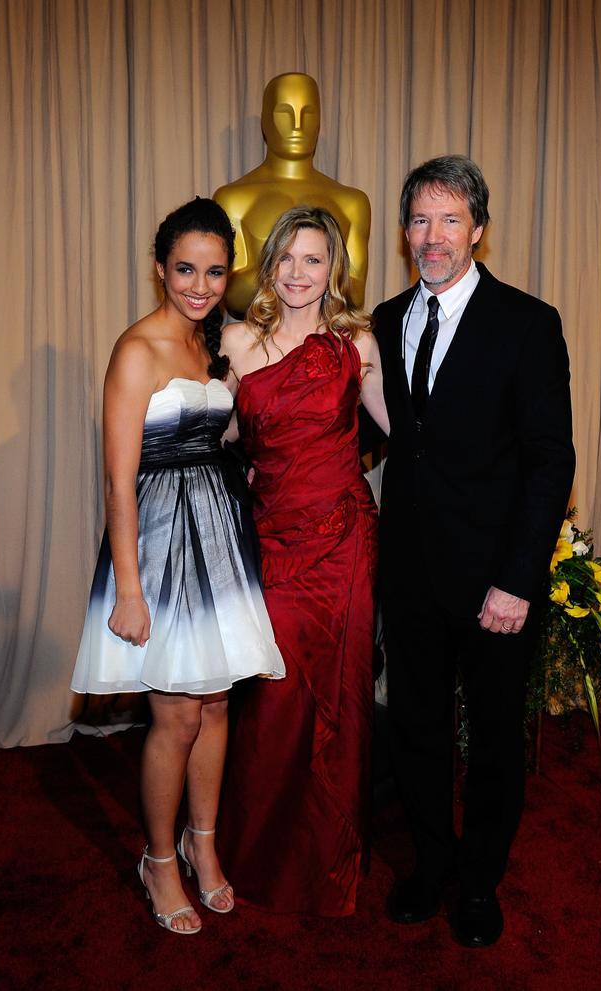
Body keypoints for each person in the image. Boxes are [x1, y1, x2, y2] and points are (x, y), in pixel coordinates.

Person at [373, 156, 575, 947]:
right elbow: (382, 434)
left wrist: (518, 580)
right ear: (405, 232)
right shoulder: (386, 321)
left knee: (493, 738)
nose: (433, 236)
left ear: (478, 232)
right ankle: (431, 862)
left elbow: (550, 460)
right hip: (412, 574)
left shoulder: (528, 322)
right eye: (420, 220)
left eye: (450, 220)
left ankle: (482, 880)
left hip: (497, 583)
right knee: (418, 728)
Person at [71, 197, 285, 935]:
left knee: (218, 703)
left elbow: (224, 436)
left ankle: (205, 845)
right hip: (159, 547)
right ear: (160, 268)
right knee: (175, 712)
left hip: (219, 536)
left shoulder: (213, 343)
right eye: (185, 268)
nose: (199, 283)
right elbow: (117, 480)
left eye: (214, 271)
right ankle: (159, 858)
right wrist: (128, 589)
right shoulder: (137, 350)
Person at [216, 205, 389, 916]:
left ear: (334, 269)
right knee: (273, 696)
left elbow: (404, 432)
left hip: (346, 542)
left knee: (343, 699)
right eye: (285, 258)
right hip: (274, 542)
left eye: (312, 259)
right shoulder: (235, 340)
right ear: (268, 265)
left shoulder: (358, 342)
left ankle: (329, 857)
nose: (296, 273)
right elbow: (213, 436)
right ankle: (257, 852)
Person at [213, 72, 370, 316]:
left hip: (327, 343)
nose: (297, 124)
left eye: (308, 113)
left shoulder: (351, 202)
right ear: (265, 121)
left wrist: (275, 276)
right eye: (284, 113)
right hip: (257, 344)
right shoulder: (233, 199)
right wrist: (314, 273)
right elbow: (233, 294)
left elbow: (356, 294)